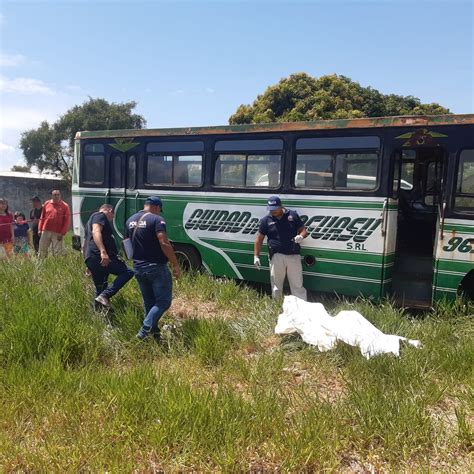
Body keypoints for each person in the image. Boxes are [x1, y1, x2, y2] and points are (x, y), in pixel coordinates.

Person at [125, 196, 180, 341]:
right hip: (156, 268)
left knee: (149, 303)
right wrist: (175, 264)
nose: (160, 213)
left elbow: (126, 244)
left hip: (138, 267)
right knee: (163, 302)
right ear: (156, 206)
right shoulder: (156, 220)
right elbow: (164, 242)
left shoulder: (130, 220)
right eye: (160, 210)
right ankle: (143, 332)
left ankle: (155, 335)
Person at [254, 196, 308, 301]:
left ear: (281, 206)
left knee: (297, 285)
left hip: (293, 255)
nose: (273, 211)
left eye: (275, 209)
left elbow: (303, 230)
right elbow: (258, 239)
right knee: (276, 286)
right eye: (270, 209)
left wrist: (301, 236)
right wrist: (256, 256)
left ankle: (301, 306)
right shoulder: (266, 220)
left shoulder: (292, 215)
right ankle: (277, 306)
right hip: (276, 256)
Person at [84, 204, 134, 310]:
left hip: (92, 258)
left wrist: (89, 263)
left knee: (100, 288)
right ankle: (105, 295)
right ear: (109, 210)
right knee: (128, 272)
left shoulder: (89, 222)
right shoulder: (99, 215)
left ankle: (99, 316)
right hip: (100, 256)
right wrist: (103, 252)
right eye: (112, 216)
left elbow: (86, 243)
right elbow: (96, 231)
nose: (111, 219)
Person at [38, 189, 71, 258]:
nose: (56, 196)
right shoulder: (47, 203)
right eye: (55, 195)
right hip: (45, 231)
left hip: (57, 233)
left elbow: (67, 221)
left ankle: (57, 265)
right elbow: (42, 217)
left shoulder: (65, 206)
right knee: (42, 249)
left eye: (58, 195)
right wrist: (39, 229)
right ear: (51, 196)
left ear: (60, 196)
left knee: (58, 252)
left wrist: (62, 233)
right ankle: (40, 264)